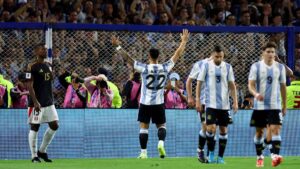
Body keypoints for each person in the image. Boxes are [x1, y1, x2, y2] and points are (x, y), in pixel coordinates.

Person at [112, 29, 190, 159]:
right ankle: (160, 143)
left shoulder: (144, 68)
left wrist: (117, 46)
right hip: (159, 103)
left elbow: (128, 59)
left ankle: (143, 153)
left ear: (149, 56)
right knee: (162, 126)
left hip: (145, 103)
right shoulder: (165, 67)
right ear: (158, 57)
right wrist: (183, 41)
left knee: (144, 128)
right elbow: (177, 54)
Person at [195, 45, 238, 164]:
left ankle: (220, 157)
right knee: (211, 128)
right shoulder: (206, 66)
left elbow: (232, 86)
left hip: (224, 105)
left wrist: (235, 102)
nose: (219, 59)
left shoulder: (228, 67)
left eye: (221, 57)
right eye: (216, 56)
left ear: (223, 56)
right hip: (210, 104)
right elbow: (199, 83)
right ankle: (211, 153)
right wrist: (198, 100)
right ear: (212, 55)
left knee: (223, 130)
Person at [248, 42, 286, 167]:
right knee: (260, 132)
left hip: (275, 105)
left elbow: (283, 87)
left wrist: (284, 105)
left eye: (273, 52)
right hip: (260, 106)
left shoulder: (280, 68)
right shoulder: (256, 67)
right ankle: (259, 156)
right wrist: (255, 94)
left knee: (275, 129)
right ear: (263, 53)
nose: (270, 54)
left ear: (275, 54)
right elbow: (251, 85)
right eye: (268, 51)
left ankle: (275, 156)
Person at [26, 43, 59, 163]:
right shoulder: (31, 66)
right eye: (42, 49)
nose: (45, 51)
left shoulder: (49, 65)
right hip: (36, 103)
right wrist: (35, 101)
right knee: (35, 126)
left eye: (45, 49)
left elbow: (48, 82)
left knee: (54, 125)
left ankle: (42, 151)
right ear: (36, 52)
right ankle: (34, 156)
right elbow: (29, 85)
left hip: (49, 102)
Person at [186, 56, 211, 163]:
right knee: (206, 127)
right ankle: (200, 150)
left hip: (216, 103)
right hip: (203, 102)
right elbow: (189, 81)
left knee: (213, 128)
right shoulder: (200, 64)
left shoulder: (223, 66)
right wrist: (191, 97)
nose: (220, 59)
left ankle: (211, 154)